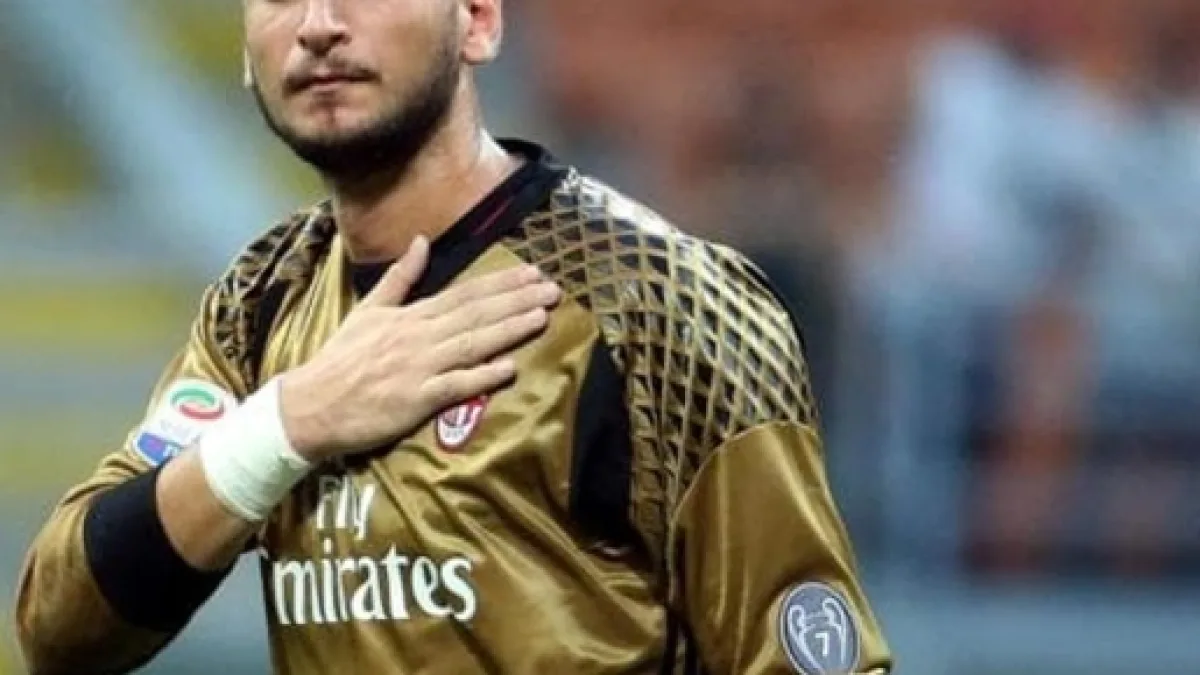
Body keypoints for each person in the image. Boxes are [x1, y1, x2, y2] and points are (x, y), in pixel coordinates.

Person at [13, 1, 892, 673]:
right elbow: (59, 627)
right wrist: (288, 424)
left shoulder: (664, 304)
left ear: (477, 20)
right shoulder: (260, 303)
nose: (318, 25)